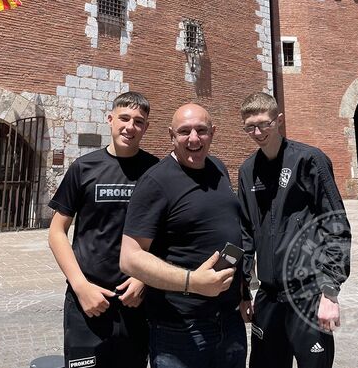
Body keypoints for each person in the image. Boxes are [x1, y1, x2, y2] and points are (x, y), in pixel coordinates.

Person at [120, 103, 247, 368]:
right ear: (171, 135)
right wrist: (192, 281)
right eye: (184, 131)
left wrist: (244, 291)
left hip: (229, 321)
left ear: (213, 132)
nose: (193, 139)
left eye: (201, 130)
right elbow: (130, 259)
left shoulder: (218, 168)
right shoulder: (155, 181)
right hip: (179, 328)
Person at [238, 92, 351, 368]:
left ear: (279, 120)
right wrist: (243, 292)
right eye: (250, 126)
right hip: (268, 296)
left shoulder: (309, 160)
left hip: (308, 295)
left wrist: (330, 292)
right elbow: (245, 233)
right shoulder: (247, 170)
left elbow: (336, 225)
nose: (257, 132)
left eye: (264, 124)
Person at [48, 91, 159, 368]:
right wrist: (80, 286)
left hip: (136, 301)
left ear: (145, 128)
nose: (129, 126)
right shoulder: (83, 168)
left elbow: (165, 235)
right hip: (87, 301)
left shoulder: (155, 171)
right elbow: (57, 232)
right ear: (110, 119)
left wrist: (144, 280)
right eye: (124, 118)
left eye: (138, 121)